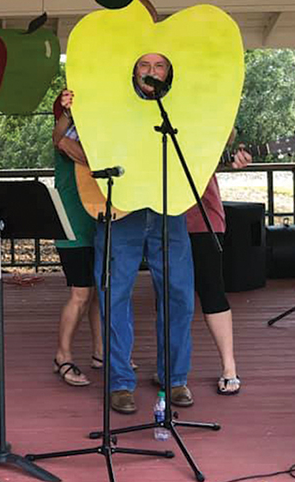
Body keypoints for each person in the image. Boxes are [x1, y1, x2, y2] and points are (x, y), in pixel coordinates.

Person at [64, 53, 195, 414]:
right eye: (144, 65)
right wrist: (97, 165)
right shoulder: (107, 103)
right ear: (133, 69)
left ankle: (175, 376)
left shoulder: (184, 105)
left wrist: (233, 150)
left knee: (179, 294)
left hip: (168, 209)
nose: (151, 73)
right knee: (114, 295)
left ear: (169, 72)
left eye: (160, 66)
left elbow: (206, 149)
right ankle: (120, 381)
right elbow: (65, 140)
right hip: (120, 210)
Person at [181, 133, 251, 396]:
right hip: (160, 215)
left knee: (212, 288)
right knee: (169, 292)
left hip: (202, 215)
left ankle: (229, 367)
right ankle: (171, 366)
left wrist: (233, 151)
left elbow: (225, 134)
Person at [51, 93, 103, 386]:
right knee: (81, 293)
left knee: (97, 292)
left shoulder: (99, 134)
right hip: (73, 226)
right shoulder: (66, 136)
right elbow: (60, 140)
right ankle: (63, 356)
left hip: (98, 221)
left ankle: (100, 352)